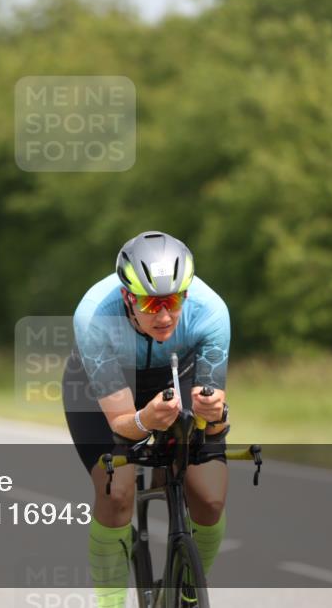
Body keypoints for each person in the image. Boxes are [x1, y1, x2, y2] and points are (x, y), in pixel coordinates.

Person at [61, 231, 230, 608]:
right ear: (127, 297)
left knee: (210, 498)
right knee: (117, 491)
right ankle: (111, 604)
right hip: (104, 386)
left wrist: (213, 417)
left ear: (186, 293)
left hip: (176, 373)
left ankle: (187, 591)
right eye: (151, 304)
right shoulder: (93, 317)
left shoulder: (212, 311)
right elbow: (121, 421)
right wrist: (145, 420)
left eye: (172, 301)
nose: (165, 315)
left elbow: (214, 416)